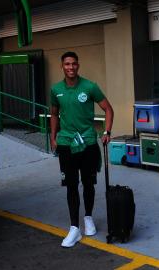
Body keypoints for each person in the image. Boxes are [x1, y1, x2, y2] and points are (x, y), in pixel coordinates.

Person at [50, 51, 114, 248]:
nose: (71, 67)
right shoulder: (56, 89)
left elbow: (108, 109)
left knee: (88, 183)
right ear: (62, 66)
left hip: (87, 142)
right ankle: (74, 228)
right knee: (71, 185)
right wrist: (53, 137)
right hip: (66, 144)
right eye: (67, 64)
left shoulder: (90, 86)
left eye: (74, 64)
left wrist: (107, 131)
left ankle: (88, 218)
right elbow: (54, 114)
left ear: (78, 66)